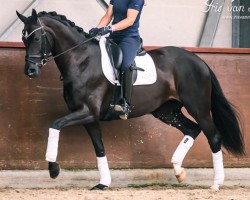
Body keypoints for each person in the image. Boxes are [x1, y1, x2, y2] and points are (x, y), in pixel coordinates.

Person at [89, 0, 145, 120]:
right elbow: (108, 15)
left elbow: (130, 20)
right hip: (113, 37)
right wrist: (97, 29)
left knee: (125, 64)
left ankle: (125, 104)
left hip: (129, 37)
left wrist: (109, 28)